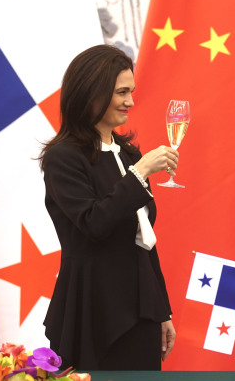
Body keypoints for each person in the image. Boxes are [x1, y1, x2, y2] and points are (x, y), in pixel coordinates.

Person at [39, 44, 178, 370]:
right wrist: (140, 173)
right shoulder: (63, 158)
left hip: (141, 310)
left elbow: (145, 241)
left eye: (131, 91)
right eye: (121, 92)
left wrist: (162, 310)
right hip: (92, 308)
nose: (131, 101)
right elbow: (93, 223)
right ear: (92, 93)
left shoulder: (128, 154)